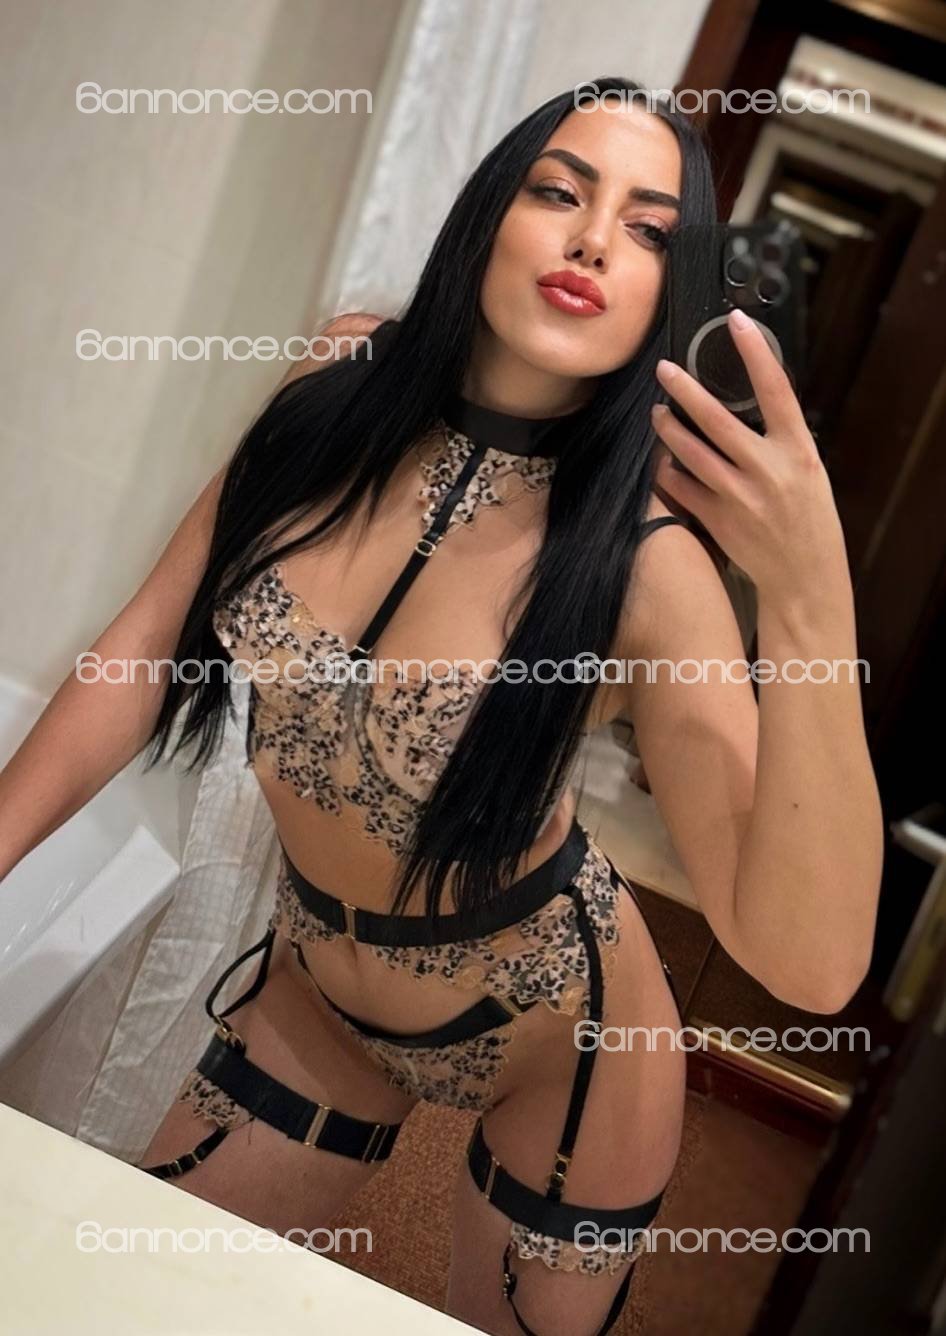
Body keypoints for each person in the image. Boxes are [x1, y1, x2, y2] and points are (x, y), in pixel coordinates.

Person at [1, 77, 883, 1336]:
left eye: (647, 229)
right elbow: (144, 647)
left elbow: (807, 962)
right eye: (559, 191)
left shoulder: (648, 563)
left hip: (565, 1043)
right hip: (317, 991)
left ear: (670, 291)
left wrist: (809, 600)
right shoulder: (332, 393)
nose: (592, 240)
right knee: (134, 1302)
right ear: (487, 212)